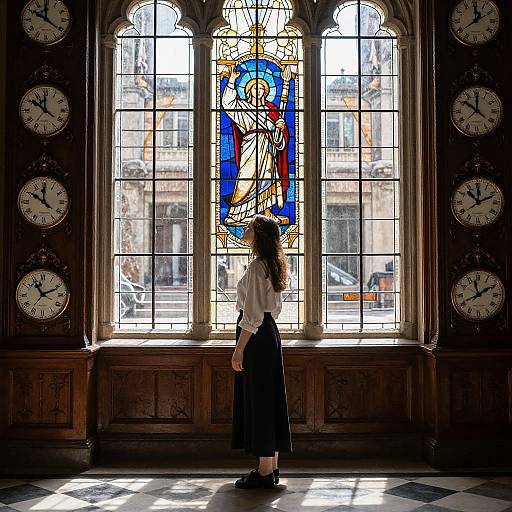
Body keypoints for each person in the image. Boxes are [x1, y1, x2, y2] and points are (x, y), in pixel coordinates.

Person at [231, 214, 293, 489]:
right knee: (269, 398)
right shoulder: (272, 264)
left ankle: (265, 472)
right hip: (269, 334)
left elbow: (253, 316)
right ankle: (272, 466)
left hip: (256, 337)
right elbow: (269, 312)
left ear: (258, 234)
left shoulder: (258, 268)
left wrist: (238, 349)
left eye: (248, 227)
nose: (244, 230)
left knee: (260, 400)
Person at [221, 66, 290, 226]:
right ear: (249, 91)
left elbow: (278, 141)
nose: (258, 91)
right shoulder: (243, 108)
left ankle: (266, 213)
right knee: (247, 179)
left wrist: (279, 127)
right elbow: (227, 103)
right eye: (255, 88)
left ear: (265, 92)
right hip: (251, 147)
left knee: (268, 179)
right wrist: (231, 80)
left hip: (267, 148)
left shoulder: (271, 110)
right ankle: (237, 214)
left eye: (261, 88)